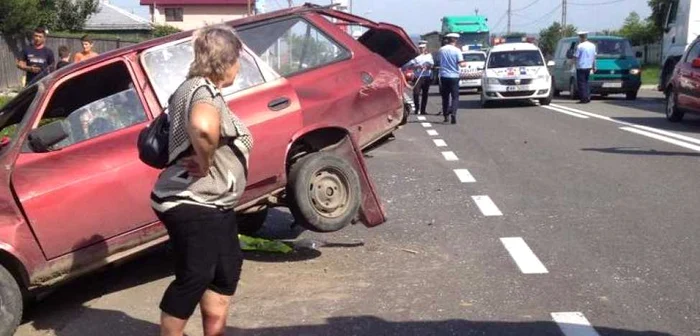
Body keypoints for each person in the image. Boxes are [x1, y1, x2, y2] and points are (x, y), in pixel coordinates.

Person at [150, 25, 253, 336]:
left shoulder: (197, 88)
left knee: (225, 270)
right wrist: (206, 161)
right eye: (238, 59)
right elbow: (204, 126)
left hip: (214, 202)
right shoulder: (202, 91)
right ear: (227, 60)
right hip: (190, 200)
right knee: (196, 273)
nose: (239, 66)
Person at [438, 33, 466, 124]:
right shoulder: (457, 50)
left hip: (444, 75)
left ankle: (446, 116)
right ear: (455, 40)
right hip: (454, 76)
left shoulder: (441, 50)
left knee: (445, 97)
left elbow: (439, 61)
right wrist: (464, 64)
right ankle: (453, 113)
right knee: (455, 97)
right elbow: (461, 63)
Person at [405, 41, 433, 115]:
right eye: (420, 48)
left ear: (425, 48)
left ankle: (423, 110)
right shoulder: (415, 56)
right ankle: (417, 108)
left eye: (423, 48)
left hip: (426, 76)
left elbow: (432, 65)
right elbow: (409, 66)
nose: (421, 49)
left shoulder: (429, 56)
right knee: (416, 93)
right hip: (417, 77)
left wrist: (428, 67)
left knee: (425, 94)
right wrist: (417, 66)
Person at [573, 31, 596, 104]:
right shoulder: (592, 45)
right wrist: (594, 66)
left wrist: (572, 63)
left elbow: (576, 56)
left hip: (581, 66)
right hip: (589, 66)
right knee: (586, 82)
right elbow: (594, 57)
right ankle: (588, 97)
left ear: (581, 37)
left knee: (581, 83)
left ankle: (583, 98)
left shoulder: (580, 46)